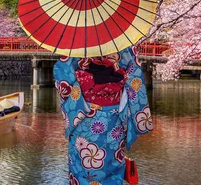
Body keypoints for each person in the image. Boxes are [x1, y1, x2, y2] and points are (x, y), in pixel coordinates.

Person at [54, 46, 153, 185]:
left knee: (83, 166)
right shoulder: (123, 45)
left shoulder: (74, 48)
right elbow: (135, 80)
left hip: (84, 118)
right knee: (111, 165)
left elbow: (62, 78)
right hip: (115, 118)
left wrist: (86, 85)